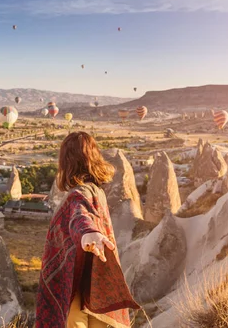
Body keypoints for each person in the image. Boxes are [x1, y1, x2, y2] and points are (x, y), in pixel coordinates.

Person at [36, 132, 140, 328]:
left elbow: (80, 215)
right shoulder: (97, 192)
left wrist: (88, 234)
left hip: (72, 283)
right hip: (95, 283)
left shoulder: (79, 193)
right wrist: (91, 235)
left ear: (66, 162)